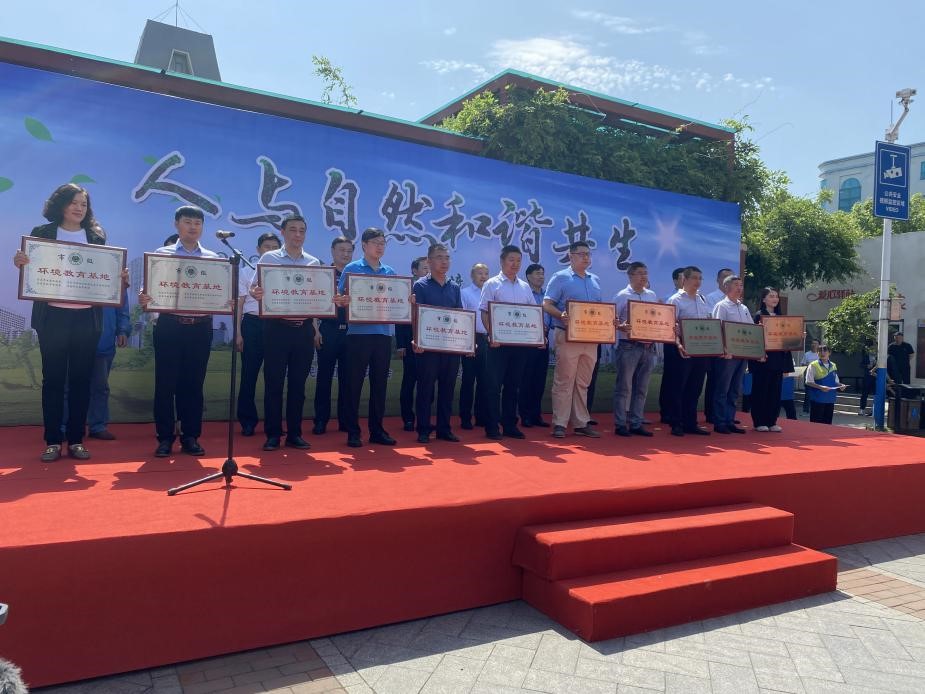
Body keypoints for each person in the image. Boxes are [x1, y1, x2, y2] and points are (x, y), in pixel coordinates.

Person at [12, 183, 114, 461]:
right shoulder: (42, 233)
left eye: (84, 204)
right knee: (54, 380)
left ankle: (76, 440)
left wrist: (118, 277)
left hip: (87, 318)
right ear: (61, 204)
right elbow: (31, 268)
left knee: (81, 379)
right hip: (53, 317)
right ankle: (53, 441)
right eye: (74, 202)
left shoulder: (96, 236)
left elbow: (104, 270)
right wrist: (21, 262)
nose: (79, 208)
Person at [139, 206, 218, 458]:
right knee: (165, 384)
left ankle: (190, 436)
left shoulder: (213, 258)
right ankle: (165, 438)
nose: (193, 227)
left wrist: (224, 300)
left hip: (200, 327)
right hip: (170, 325)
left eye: (198, 223)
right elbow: (147, 289)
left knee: (194, 384)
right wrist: (144, 297)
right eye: (187, 222)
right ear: (176, 224)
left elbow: (219, 290)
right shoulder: (161, 255)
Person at [249, 215, 320, 451]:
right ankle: (273, 434)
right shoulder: (269, 258)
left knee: (298, 386)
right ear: (282, 232)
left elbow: (318, 296)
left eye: (302, 230)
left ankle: (295, 434)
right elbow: (253, 287)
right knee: (274, 384)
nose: (297, 235)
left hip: (303, 330)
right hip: (276, 328)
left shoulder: (313, 262)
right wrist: (256, 292)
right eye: (292, 230)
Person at [337, 228, 402, 448]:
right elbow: (340, 298)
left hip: (383, 334)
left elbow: (395, 300)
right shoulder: (352, 268)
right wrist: (343, 301)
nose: (380, 246)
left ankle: (377, 430)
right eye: (376, 242)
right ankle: (353, 432)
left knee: (379, 384)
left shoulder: (389, 271)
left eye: (383, 243)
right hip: (358, 335)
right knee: (353, 384)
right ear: (364, 245)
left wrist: (406, 300)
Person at [543, 242, 606, 439]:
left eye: (588, 254)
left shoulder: (595, 280)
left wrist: (608, 320)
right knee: (564, 380)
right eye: (581, 254)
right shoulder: (560, 277)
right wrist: (561, 314)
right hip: (567, 335)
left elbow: (600, 310)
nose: (586, 257)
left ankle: (580, 423)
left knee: (583, 382)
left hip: (590, 338)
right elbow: (547, 304)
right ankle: (560, 423)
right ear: (571, 256)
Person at [478, 245, 536, 440]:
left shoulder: (525, 287)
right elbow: (485, 312)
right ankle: (492, 426)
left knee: (513, 385)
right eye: (511, 260)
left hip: (519, 345)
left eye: (518, 260)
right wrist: (491, 335)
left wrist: (536, 336)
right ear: (502, 261)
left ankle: (510, 424)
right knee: (493, 386)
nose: (515, 264)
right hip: (498, 345)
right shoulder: (492, 284)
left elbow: (532, 314)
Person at [411, 244, 463, 443]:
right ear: (429, 261)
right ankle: (423, 429)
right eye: (439, 257)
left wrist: (465, 343)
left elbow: (459, 316)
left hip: (450, 347)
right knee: (426, 389)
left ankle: (444, 429)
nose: (444, 262)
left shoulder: (454, 287)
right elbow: (417, 315)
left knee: (447, 389)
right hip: (428, 347)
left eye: (447, 258)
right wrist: (417, 339)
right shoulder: (420, 286)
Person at [63, 292, 132, 440]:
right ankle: (63, 426)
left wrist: (123, 330)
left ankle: (98, 426)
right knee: (68, 386)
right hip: (74, 339)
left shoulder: (117, 279)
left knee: (100, 387)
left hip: (104, 340)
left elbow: (122, 306)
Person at [236, 231, 282, 436]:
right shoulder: (246, 272)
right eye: (266, 247)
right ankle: (247, 421)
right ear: (258, 250)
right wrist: (238, 332)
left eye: (275, 248)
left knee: (275, 377)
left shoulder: (285, 274)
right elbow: (239, 304)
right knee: (249, 375)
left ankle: (274, 423)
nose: (270, 251)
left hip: (277, 325)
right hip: (252, 324)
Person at [663, 266, 712, 436]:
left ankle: (690, 422)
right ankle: (676, 423)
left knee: (695, 387)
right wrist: (678, 344)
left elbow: (708, 323)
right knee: (678, 386)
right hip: (681, 349)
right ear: (685, 279)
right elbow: (670, 327)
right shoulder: (675, 300)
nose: (698, 281)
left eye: (700, 278)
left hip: (701, 349)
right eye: (694, 278)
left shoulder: (703, 299)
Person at [312, 236, 354, 435]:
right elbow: (313, 302)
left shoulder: (356, 275)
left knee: (348, 379)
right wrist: (315, 329)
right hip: (328, 330)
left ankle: (345, 420)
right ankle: (321, 420)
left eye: (349, 251)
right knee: (324, 377)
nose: (345, 254)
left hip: (352, 332)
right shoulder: (323, 275)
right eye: (341, 250)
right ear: (332, 251)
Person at [612, 261, 658, 437]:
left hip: (648, 347)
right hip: (628, 346)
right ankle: (620, 424)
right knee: (624, 387)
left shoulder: (651, 295)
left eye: (645, 273)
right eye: (640, 273)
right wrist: (621, 326)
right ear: (630, 275)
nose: (644, 276)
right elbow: (612, 321)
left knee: (641, 388)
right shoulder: (621, 296)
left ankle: (636, 422)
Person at [710, 274, 753, 434]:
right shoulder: (722, 306)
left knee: (735, 389)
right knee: (723, 389)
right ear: (726, 287)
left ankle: (730, 420)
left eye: (741, 285)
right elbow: (717, 329)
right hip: (727, 356)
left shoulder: (744, 308)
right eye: (736, 285)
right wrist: (724, 349)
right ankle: (719, 422)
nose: (739, 288)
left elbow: (751, 329)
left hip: (742, 354)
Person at [749, 287, 794, 433]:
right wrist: (759, 354)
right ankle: (759, 421)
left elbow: (786, 339)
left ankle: (772, 421)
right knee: (761, 391)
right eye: (771, 296)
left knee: (775, 392)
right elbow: (754, 339)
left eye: (776, 296)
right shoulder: (759, 316)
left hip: (778, 360)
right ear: (764, 299)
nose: (775, 299)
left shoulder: (781, 317)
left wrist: (796, 338)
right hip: (763, 360)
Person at [396, 256, 429, 431]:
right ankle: (408, 418)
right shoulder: (407, 290)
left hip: (430, 342)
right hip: (410, 342)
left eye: (429, 268)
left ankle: (425, 418)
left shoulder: (433, 289)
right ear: (414, 271)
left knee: (428, 382)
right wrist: (401, 344)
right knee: (409, 381)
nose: (428, 271)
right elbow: (400, 317)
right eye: (424, 268)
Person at [520, 262, 551, 428]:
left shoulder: (548, 296)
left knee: (540, 379)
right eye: (538, 273)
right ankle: (524, 415)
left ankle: (536, 415)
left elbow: (551, 316)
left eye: (542, 273)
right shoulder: (524, 293)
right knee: (527, 379)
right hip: (528, 340)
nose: (541, 276)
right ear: (528, 276)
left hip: (544, 339)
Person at [459, 263, 489, 430]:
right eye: (479, 273)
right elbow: (463, 318)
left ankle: (481, 416)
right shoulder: (465, 293)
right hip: (471, 338)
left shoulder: (491, 293)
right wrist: (467, 341)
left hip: (487, 339)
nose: (483, 276)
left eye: (486, 273)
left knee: (484, 380)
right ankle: (465, 417)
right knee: (468, 380)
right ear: (472, 275)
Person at [805, 345, 846, 424]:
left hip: (830, 399)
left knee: (827, 425)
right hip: (817, 400)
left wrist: (841, 385)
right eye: (820, 351)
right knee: (816, 425)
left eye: (825, 351)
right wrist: (821, 387)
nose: (822, 353)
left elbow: (835, 381)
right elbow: (808, 381)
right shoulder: (813, 365)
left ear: (829, 353)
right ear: (817, 353)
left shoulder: (833, 365)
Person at [858, 340, 876, 416]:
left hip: (876, 377)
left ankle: (873, 410)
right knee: (864, 393)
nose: (872, 350)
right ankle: (862, 409)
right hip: (867, 376)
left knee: (876, 394)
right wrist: (866, 366)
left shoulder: (879, 356)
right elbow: (861, 364)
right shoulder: (865, 355)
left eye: (873, 348)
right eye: (871, 348)